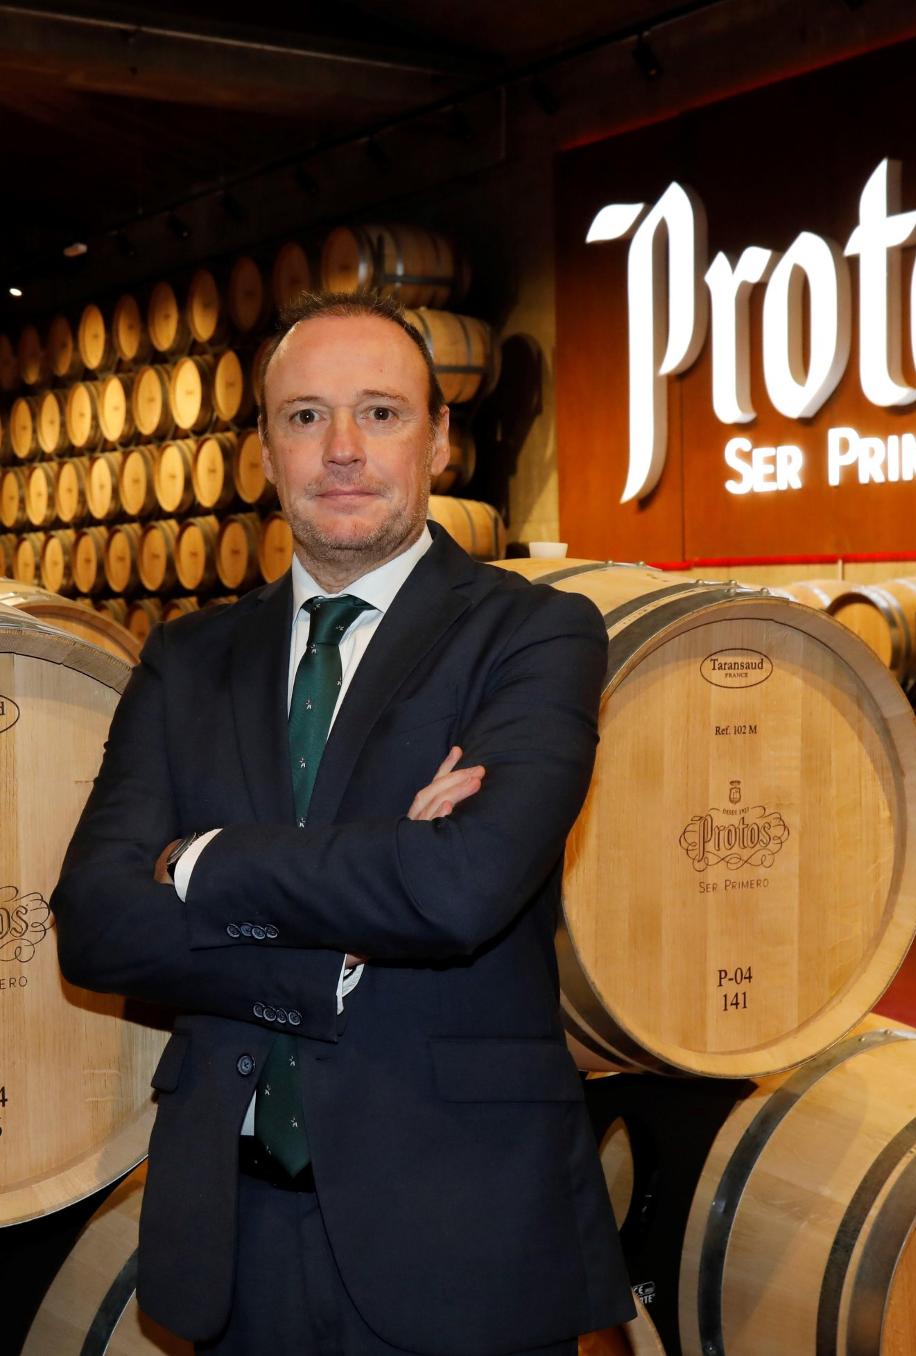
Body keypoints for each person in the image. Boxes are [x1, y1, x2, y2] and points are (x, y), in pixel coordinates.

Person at [52, 291, 634, 1355]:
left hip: (464, 1225)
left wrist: (204, 860)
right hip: (232, 1232)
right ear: (265, 451)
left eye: (382, 412)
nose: (345, 451)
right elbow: (95, 922)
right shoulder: (188, 659)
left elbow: (463, 888)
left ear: (440, 440)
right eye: (307, 417)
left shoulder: (536, 634)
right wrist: (341, 942)